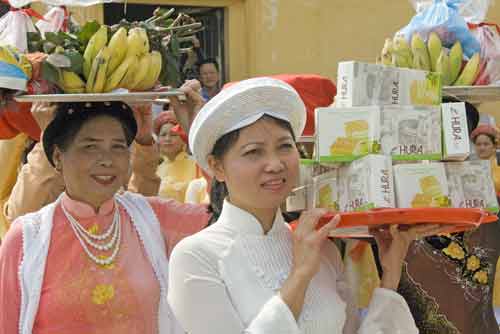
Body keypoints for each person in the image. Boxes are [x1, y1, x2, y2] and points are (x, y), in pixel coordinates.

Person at [167, 77, 443, 334]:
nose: (275, 164)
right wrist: (300, 275)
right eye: (254, 152)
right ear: (217, 167)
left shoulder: (320, 247)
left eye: (285, 147)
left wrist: (391, 272)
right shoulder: (196, 256)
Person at [0, 98, 209, 334]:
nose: (107, 160)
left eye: (118, 146)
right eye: (91, 146)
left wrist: (199, 132)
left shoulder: (151, 218)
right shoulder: (27, 239)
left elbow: (226, 217)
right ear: (58, 157)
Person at [154, 110, 198, 202]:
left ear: (183, 139)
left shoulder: (196, 165)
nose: (167, 139)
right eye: (163, 135)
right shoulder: (155, 170)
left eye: (173, 135)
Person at [471, 124, 500, 194]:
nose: (482, 148)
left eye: (486, 144)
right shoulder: (471, 167)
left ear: (494, 146)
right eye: (478, 144)